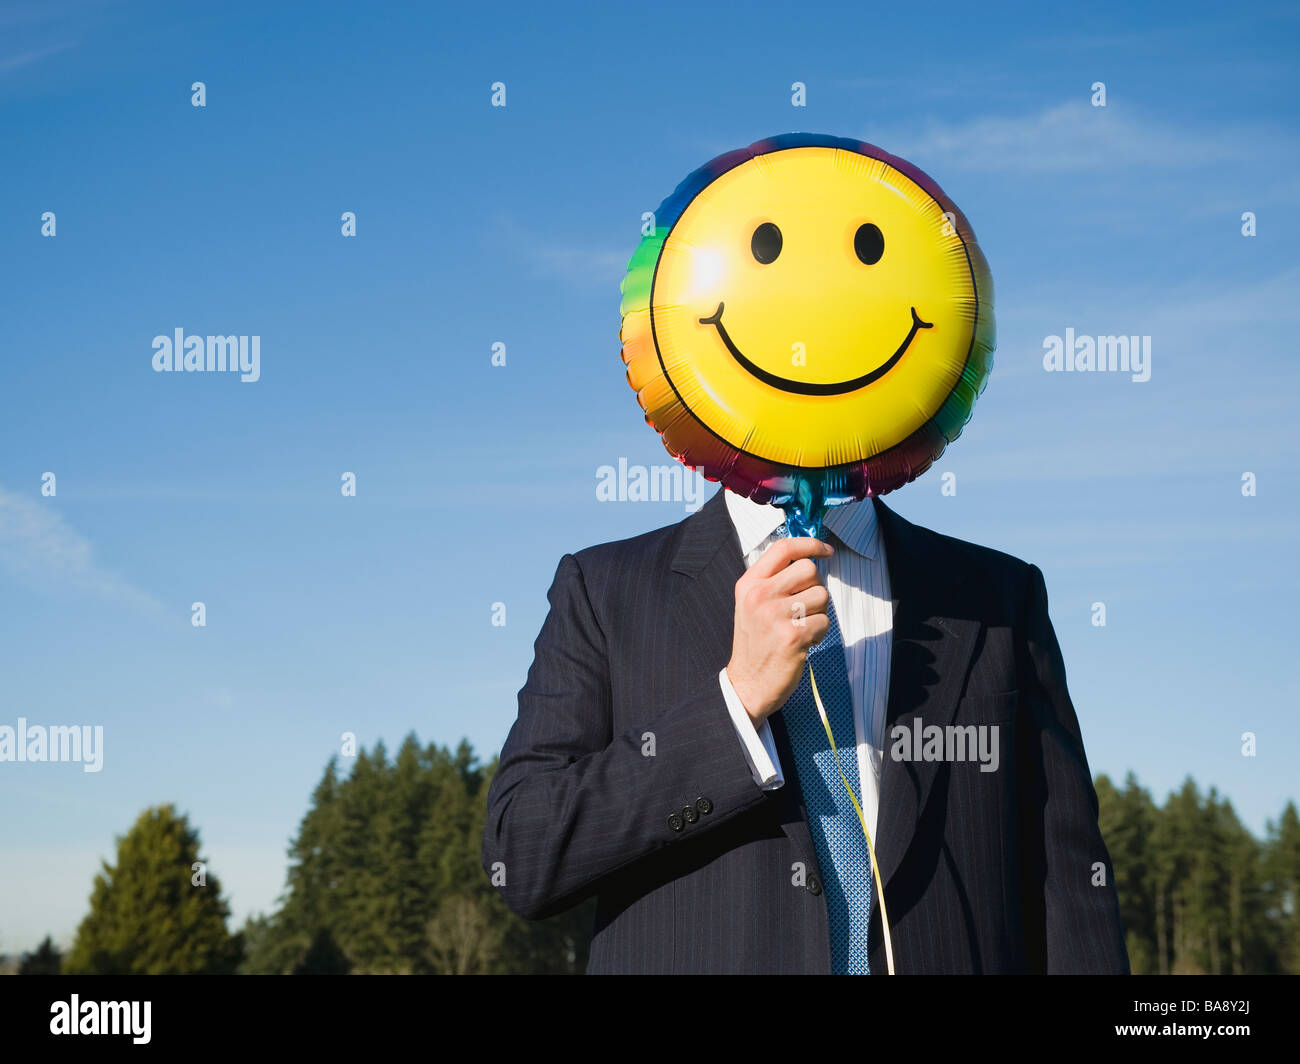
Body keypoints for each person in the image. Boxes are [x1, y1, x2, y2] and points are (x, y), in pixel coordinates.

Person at [481, 486, 1129, 974]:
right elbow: (524, 855)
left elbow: (1068, 884)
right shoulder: (604, 588)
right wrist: (734, 705)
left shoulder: (999, 595)